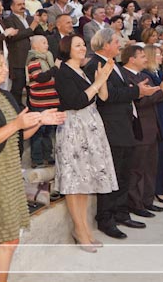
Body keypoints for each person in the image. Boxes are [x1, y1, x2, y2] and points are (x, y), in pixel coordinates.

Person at [0, 48, 64, 282]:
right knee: (6, 238)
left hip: (11, 171)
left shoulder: (6, 95)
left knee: (10, 238)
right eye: (0, 64)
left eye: (5, 64)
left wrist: (40, 120)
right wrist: (17, 125)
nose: (6, 68)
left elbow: (21, 134)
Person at [83, 29, 159, 239]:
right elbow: (107, 96)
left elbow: (122, 90)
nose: (120, 45)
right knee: (112, 174)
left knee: (124, 172)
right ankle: (106, 219)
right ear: (106, 44)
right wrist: (137, 91)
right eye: (116, 42)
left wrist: (137, 89)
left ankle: (121, 213)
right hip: (111, 127)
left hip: (124, 125)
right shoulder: (95, 65)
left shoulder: (113, 64)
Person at [54, 35, 118, 252]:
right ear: (67, 49)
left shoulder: (83, 70)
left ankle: (84, 228)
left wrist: (103, 78)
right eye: (78, 45)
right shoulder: (63, 72)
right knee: (74, 182)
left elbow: (103, 96)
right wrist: (97, 83)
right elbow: (77, 101)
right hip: (74, 128)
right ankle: (80, 230)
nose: (83, 48)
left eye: (83, 45)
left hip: (90, 126)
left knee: (85, 181)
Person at [122, 45, 163, 217]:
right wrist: (162, 90)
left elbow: (155, 96)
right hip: (139, 129)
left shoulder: (143, 76)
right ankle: (135, 204)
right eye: (142, 56)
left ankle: (147, 201)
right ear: (132, 59)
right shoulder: (125, 76)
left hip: (153, 127)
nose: (146, 59)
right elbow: (139, 101)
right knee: (137, 169)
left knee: (150, 167)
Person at [142, 45, 163, 203]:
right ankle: (157, 189)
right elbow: (157, 95)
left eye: (161, 55)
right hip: (157, 117)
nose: (161, 57)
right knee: (160, 155)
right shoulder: (146, 75)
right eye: (157, 55)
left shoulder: (159, 72)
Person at [25, 35, 60, 167]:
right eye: (44, 43)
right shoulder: (34, 61)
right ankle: (37, 158)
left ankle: (47, 155)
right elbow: (40, 78)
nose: (47, 45)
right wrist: (55, 69)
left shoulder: (48, 59)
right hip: (40, 102)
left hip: (51, 101)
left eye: (47, 43)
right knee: (38, 131)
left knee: (48, 132)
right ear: (35, 46)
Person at [4, 0, 40, 105]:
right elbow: (14, 37)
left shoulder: (30, 19)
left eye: (23, 4)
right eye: (19, 4)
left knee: (33, 88)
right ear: (12, 7)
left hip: (33, 58)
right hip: (18, 59)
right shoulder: (8, 20)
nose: (22, 6)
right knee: (17, 89)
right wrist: (31, 28)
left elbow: (39, 33)